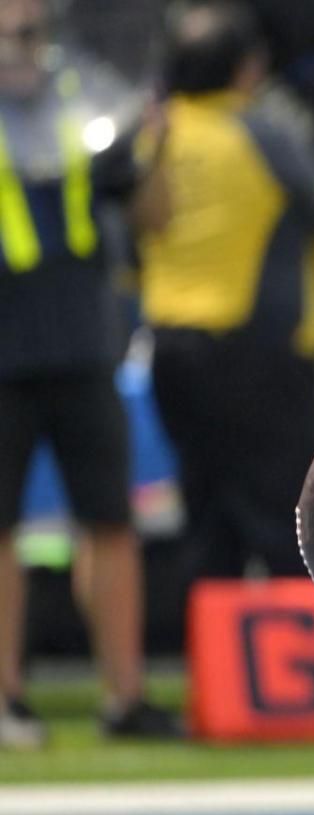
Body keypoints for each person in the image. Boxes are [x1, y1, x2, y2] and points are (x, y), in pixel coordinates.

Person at [140, 0, 314, 587]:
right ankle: (300, 669)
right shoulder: (267, 132)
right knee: (289, 524)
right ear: (247, 69)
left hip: (171, 353)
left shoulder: (151, 138)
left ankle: (215, 671)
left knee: (206, 525)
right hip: (261, 354)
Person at [0, 0, 177, 744]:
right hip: (4, 356)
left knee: (110, 522)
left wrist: (157, 147)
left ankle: (125, 696)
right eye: (9, 34)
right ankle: (6, 699)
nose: (20, 50)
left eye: (32, 34)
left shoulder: (80, 112)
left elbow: (151, 216)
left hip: (83, 348)